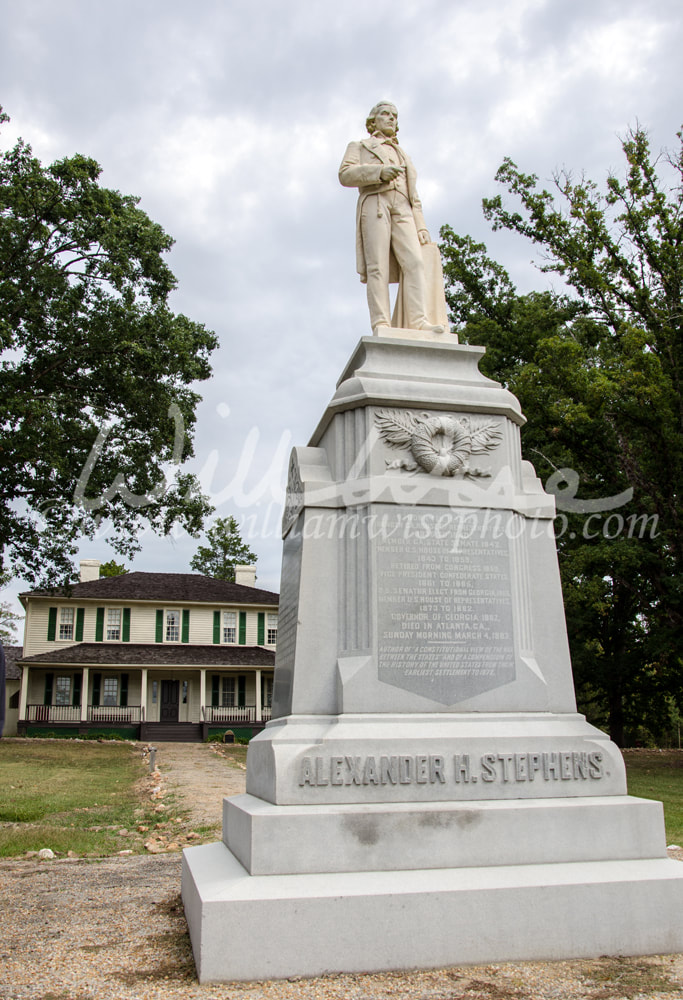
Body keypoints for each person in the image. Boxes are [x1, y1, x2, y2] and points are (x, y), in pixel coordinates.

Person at [339, 101, 446, 335]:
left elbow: (413, 194)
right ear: (373, 120)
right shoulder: (360, 146)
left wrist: (421, 226)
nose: (391, 119)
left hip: (403, 208)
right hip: (376, 200)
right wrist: (378, 173)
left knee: (416, 262)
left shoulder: (404, 155)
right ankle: (381, 323)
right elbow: (345, 174)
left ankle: (418, 320)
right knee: (378, 265)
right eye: (385, 114)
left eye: (394, 116)